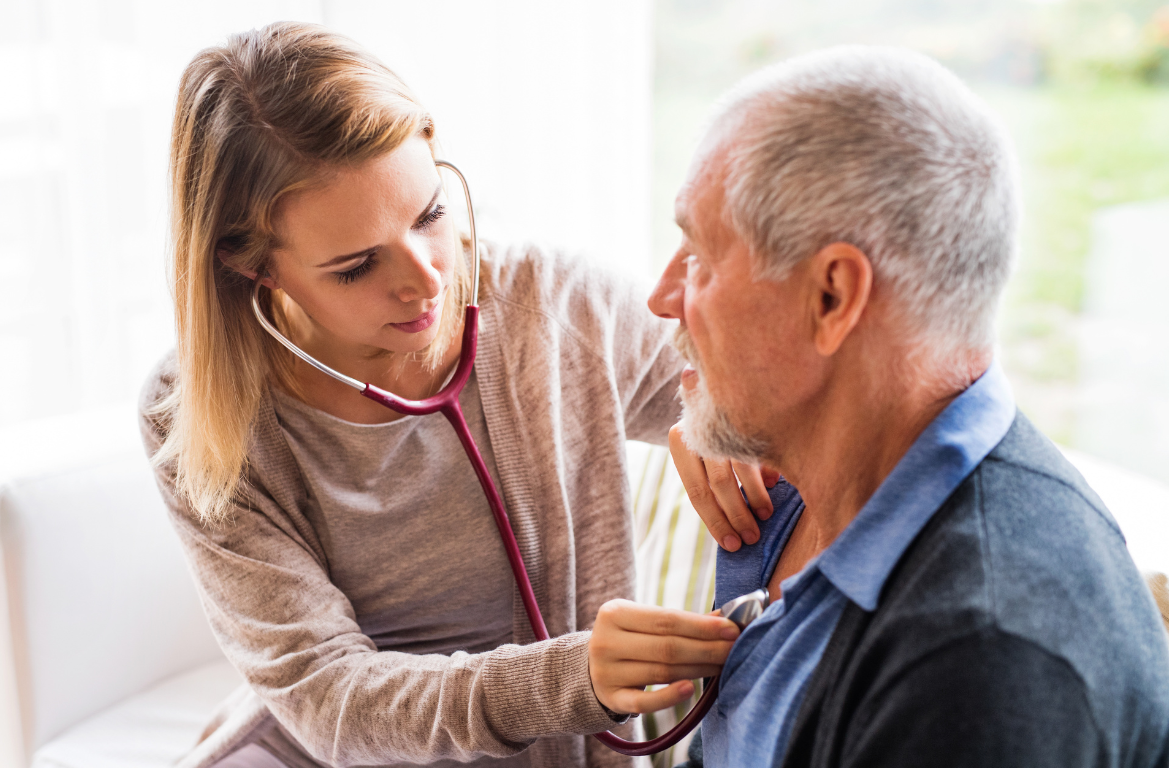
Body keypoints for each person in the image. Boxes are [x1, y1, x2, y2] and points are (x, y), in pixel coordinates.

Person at [139, 22, 772, 768]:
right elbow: (328, 696)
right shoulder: (195, 420)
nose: (426, 279)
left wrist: (722, 418)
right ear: (256, 269)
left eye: (430, 213)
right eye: (355, 266)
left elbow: (768, 398)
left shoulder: (559, 307)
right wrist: (569, 680)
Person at [651, 46, 1169, 768]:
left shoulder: (981, 670)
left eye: (700, 259)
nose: (663, 298)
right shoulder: (806, 483)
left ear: (832, 297)